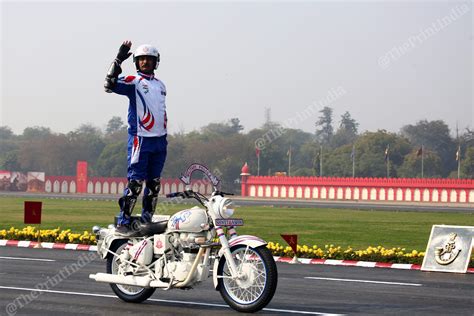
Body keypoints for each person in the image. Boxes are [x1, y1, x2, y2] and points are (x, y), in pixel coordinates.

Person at [104, 40, 168, 235]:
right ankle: (123, 221)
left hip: (160, 140)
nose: (145, 63)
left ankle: (146, 221)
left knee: (154, 183)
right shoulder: (133, 81)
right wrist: (118, 58)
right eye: (141, 60)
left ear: (156, 62)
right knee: (135, 183)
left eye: (149, 59)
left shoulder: (161, 85)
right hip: (141, 139)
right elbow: (109, 84)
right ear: (136, 62)